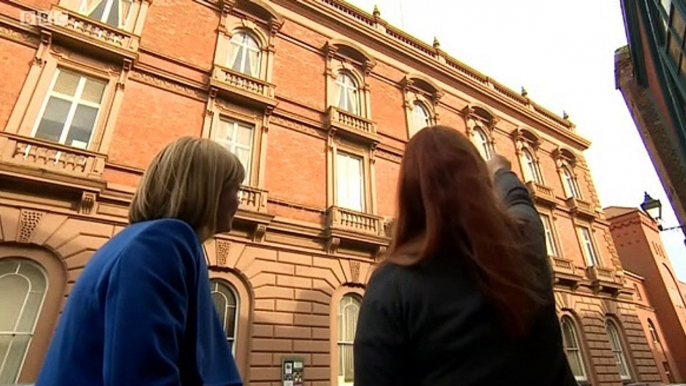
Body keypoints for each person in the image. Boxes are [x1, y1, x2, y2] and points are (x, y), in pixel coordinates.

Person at [353, 126, 577, 386]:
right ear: (480, 183)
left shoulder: (392, 285)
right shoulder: (525, 243)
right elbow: (519, 200)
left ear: (410, 193)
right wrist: (499, 170)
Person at [36, 137, 245, 386]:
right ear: (209, 191)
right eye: (235, 189)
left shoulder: (138, 240)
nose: (239, 201)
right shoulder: (164, 242)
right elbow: (145, 374)